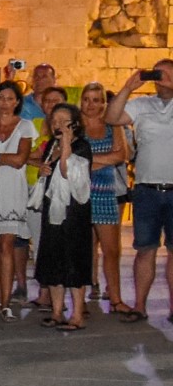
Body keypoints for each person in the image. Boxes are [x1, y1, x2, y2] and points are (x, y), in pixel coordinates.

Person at [111, 60, 173, 317]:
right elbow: (112, 118)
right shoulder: (142, 104)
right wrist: (128, 87)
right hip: (147, 190)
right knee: (145, 249)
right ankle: (139, 307)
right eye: (157, 72)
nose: (160, 77)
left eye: (166, 72)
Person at [32, 102, 94, 330]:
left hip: (74, 211)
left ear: (74, 124)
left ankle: (77, 314)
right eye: (54, 121)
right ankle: (57, 311)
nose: (57, 125)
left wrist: (66, 144)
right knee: (53, 258)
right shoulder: (51, 145)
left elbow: (69, 173)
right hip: (53, 210)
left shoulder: (82, 146)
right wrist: (43, 170)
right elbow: (48, 171)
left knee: (74, 259)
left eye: (63, 121)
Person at [0, 80, 37, 313]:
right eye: (1, 98)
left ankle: (5, 302)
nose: (5, 103)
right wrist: (3, 158)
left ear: (17, 102)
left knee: (7, 243)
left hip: (13, 188)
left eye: (10, 98)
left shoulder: (25, 126)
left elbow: (21, 159)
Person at [80, 82, 136, 317]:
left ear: (104, 103)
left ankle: (115, 299)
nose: (90, 105)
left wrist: (88, 160)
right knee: (82, 251)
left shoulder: (113, 125)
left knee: (111, 251)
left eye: (96, 100)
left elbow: (121, 155)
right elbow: (71, 158)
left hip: (105, 194)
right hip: (79, 195)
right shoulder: (75, 126)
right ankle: (79, 301)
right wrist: (105, 158)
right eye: (86, 99)